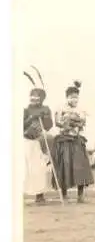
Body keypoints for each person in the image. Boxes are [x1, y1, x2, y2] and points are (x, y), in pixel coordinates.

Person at [52, 80, 94, 203]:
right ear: (67, 98)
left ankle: (80, 196)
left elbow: (83, 122)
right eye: (71, 97)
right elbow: (58, 122)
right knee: (64, 166)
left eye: (76, 97)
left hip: (77, 139)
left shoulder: (81, 109)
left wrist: (74, 121)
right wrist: (67, 122)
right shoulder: (60, 108)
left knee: (81, 166)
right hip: (64, 140)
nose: (74, 100)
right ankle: (64, 195)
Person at [23, 67, 53, 204]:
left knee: (39, 168)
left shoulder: (46, 109)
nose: (34, 98)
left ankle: (39, 195)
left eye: (37, 96)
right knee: (25, 169)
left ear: (41, 98)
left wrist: (44, 117)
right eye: (32, 96)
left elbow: (48, 126)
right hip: (25, 141)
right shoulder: (26, 110)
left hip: (38, 142)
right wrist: (30, 118)